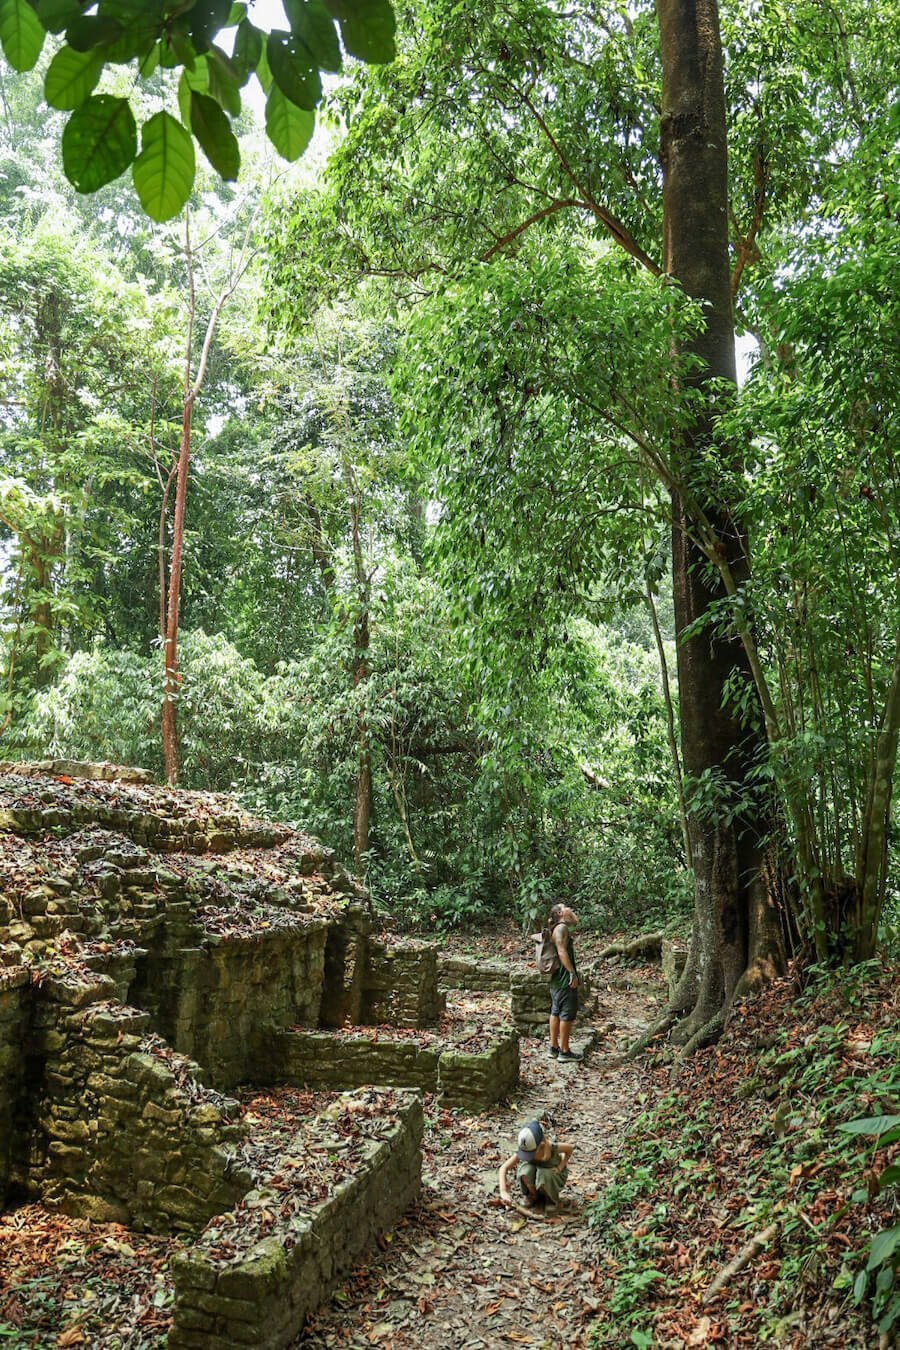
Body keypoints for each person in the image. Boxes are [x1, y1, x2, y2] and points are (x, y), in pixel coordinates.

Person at [498, 1118, 574, 1214]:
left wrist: (561, 1166)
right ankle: (533, 1195)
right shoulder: (525, 1147)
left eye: (530, 1153)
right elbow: (503, 1168)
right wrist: (503, 1191)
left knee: (544, 1174)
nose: (527, 1156)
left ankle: (550, 1199)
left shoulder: (552, 1148)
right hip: (534, 1176)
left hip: (550, 1176)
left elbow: (569, 1149)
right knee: (525, 1170)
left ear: (541, 1145)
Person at [548, 902, 582, 1062]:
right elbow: (561, 951)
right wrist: (572, 973)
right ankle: (564, 1051)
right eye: (566, 907)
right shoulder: (561, 928)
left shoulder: (557, 928)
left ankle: (553, 1047)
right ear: (561, 913)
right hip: (564, 979)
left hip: (556, 980)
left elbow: (575, 921)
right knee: (566, 1014)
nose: (570, 908)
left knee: (555, 1011)